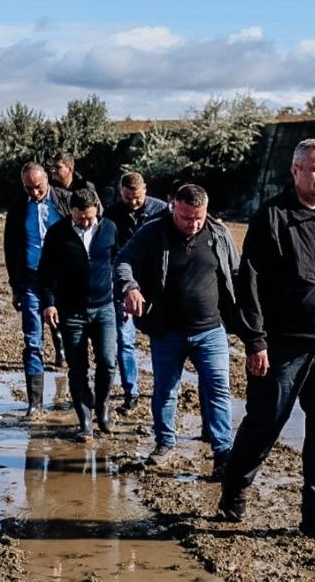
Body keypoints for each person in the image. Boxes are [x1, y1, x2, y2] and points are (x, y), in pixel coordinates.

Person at [218, 138, 315, 542]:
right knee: (265, 422)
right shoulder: (272, 218)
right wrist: (255, 341)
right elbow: (249, 283)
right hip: (282, 346)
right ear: (296, 171)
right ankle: (235, 488)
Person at [116, 184, 238, 476]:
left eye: (198, 217)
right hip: (168, 331)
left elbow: (237, 272)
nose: (192, 224)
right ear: (174, 207)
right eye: (186, 217)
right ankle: (165, 442)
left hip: (211, 331)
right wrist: (130, 287)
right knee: (166, 390)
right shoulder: (153, 233)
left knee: (218, 388)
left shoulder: (219, 234)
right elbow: (123, 261)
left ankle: (223, 450)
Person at [38, 188, 120, 440]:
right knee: (78, 367)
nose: (85, 222)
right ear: (71, 211)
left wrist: (125, 293)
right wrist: (49, 303)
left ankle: (103, 407)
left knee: (107, 361)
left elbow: (120, 261)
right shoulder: (57, 233)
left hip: (104, 306)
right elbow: (46, 272)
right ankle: (85, 421)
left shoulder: (109, 229)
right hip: (71, 310)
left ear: (96, 210)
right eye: (80, 217)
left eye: (89, 218)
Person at [5, 162, 70, 416]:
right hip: (31, 280)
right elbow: (11, 248)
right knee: (33, 341)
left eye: (38, 187)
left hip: (63, 281)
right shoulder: (19, 207)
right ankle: (35, 404)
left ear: (47, 181)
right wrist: (15, 286)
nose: (34, 192)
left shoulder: (64, 200)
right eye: (28, 188)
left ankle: (79, 399)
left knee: (73, 337)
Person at [105, 171, 169, 414]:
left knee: (162, 340)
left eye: (137, 197)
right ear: (121, 192)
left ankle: (163, 390)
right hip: (124, 285)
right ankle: (131, 392)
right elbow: (111, 254)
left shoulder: (162, 211)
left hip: (156, 286)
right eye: (127, 197)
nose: (132, 202)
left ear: (145, 190)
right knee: (125, 341)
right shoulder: (111, 215)